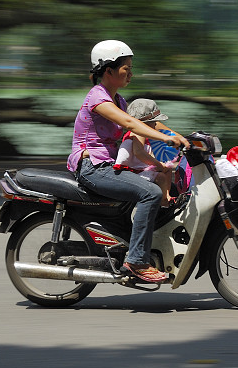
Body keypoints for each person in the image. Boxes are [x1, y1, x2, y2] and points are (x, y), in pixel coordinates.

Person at [67, 40, 190, 283]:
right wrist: (167, 141)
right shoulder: (97, 98)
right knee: (151, 193)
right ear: (109, 70)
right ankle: (136, 261)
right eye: (126, 68)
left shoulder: (119, 101)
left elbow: (147, 122)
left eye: (131, 68)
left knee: (165, 176)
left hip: (110, 165)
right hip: (93, 167)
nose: (131, 73)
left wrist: (175, 135)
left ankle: (142, 240)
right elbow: (131, 124)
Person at [115, 99, 177, 207]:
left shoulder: (142, 135)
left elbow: (147, 152)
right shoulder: (139, 132)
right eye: (154, 122)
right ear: (145, 123)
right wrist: (157, 165)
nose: (156, 125)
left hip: (139, 167)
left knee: (167, 169)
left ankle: (166, 195)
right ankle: (164, 201)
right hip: (134, 170)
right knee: (161, 177)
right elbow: (139, 152)